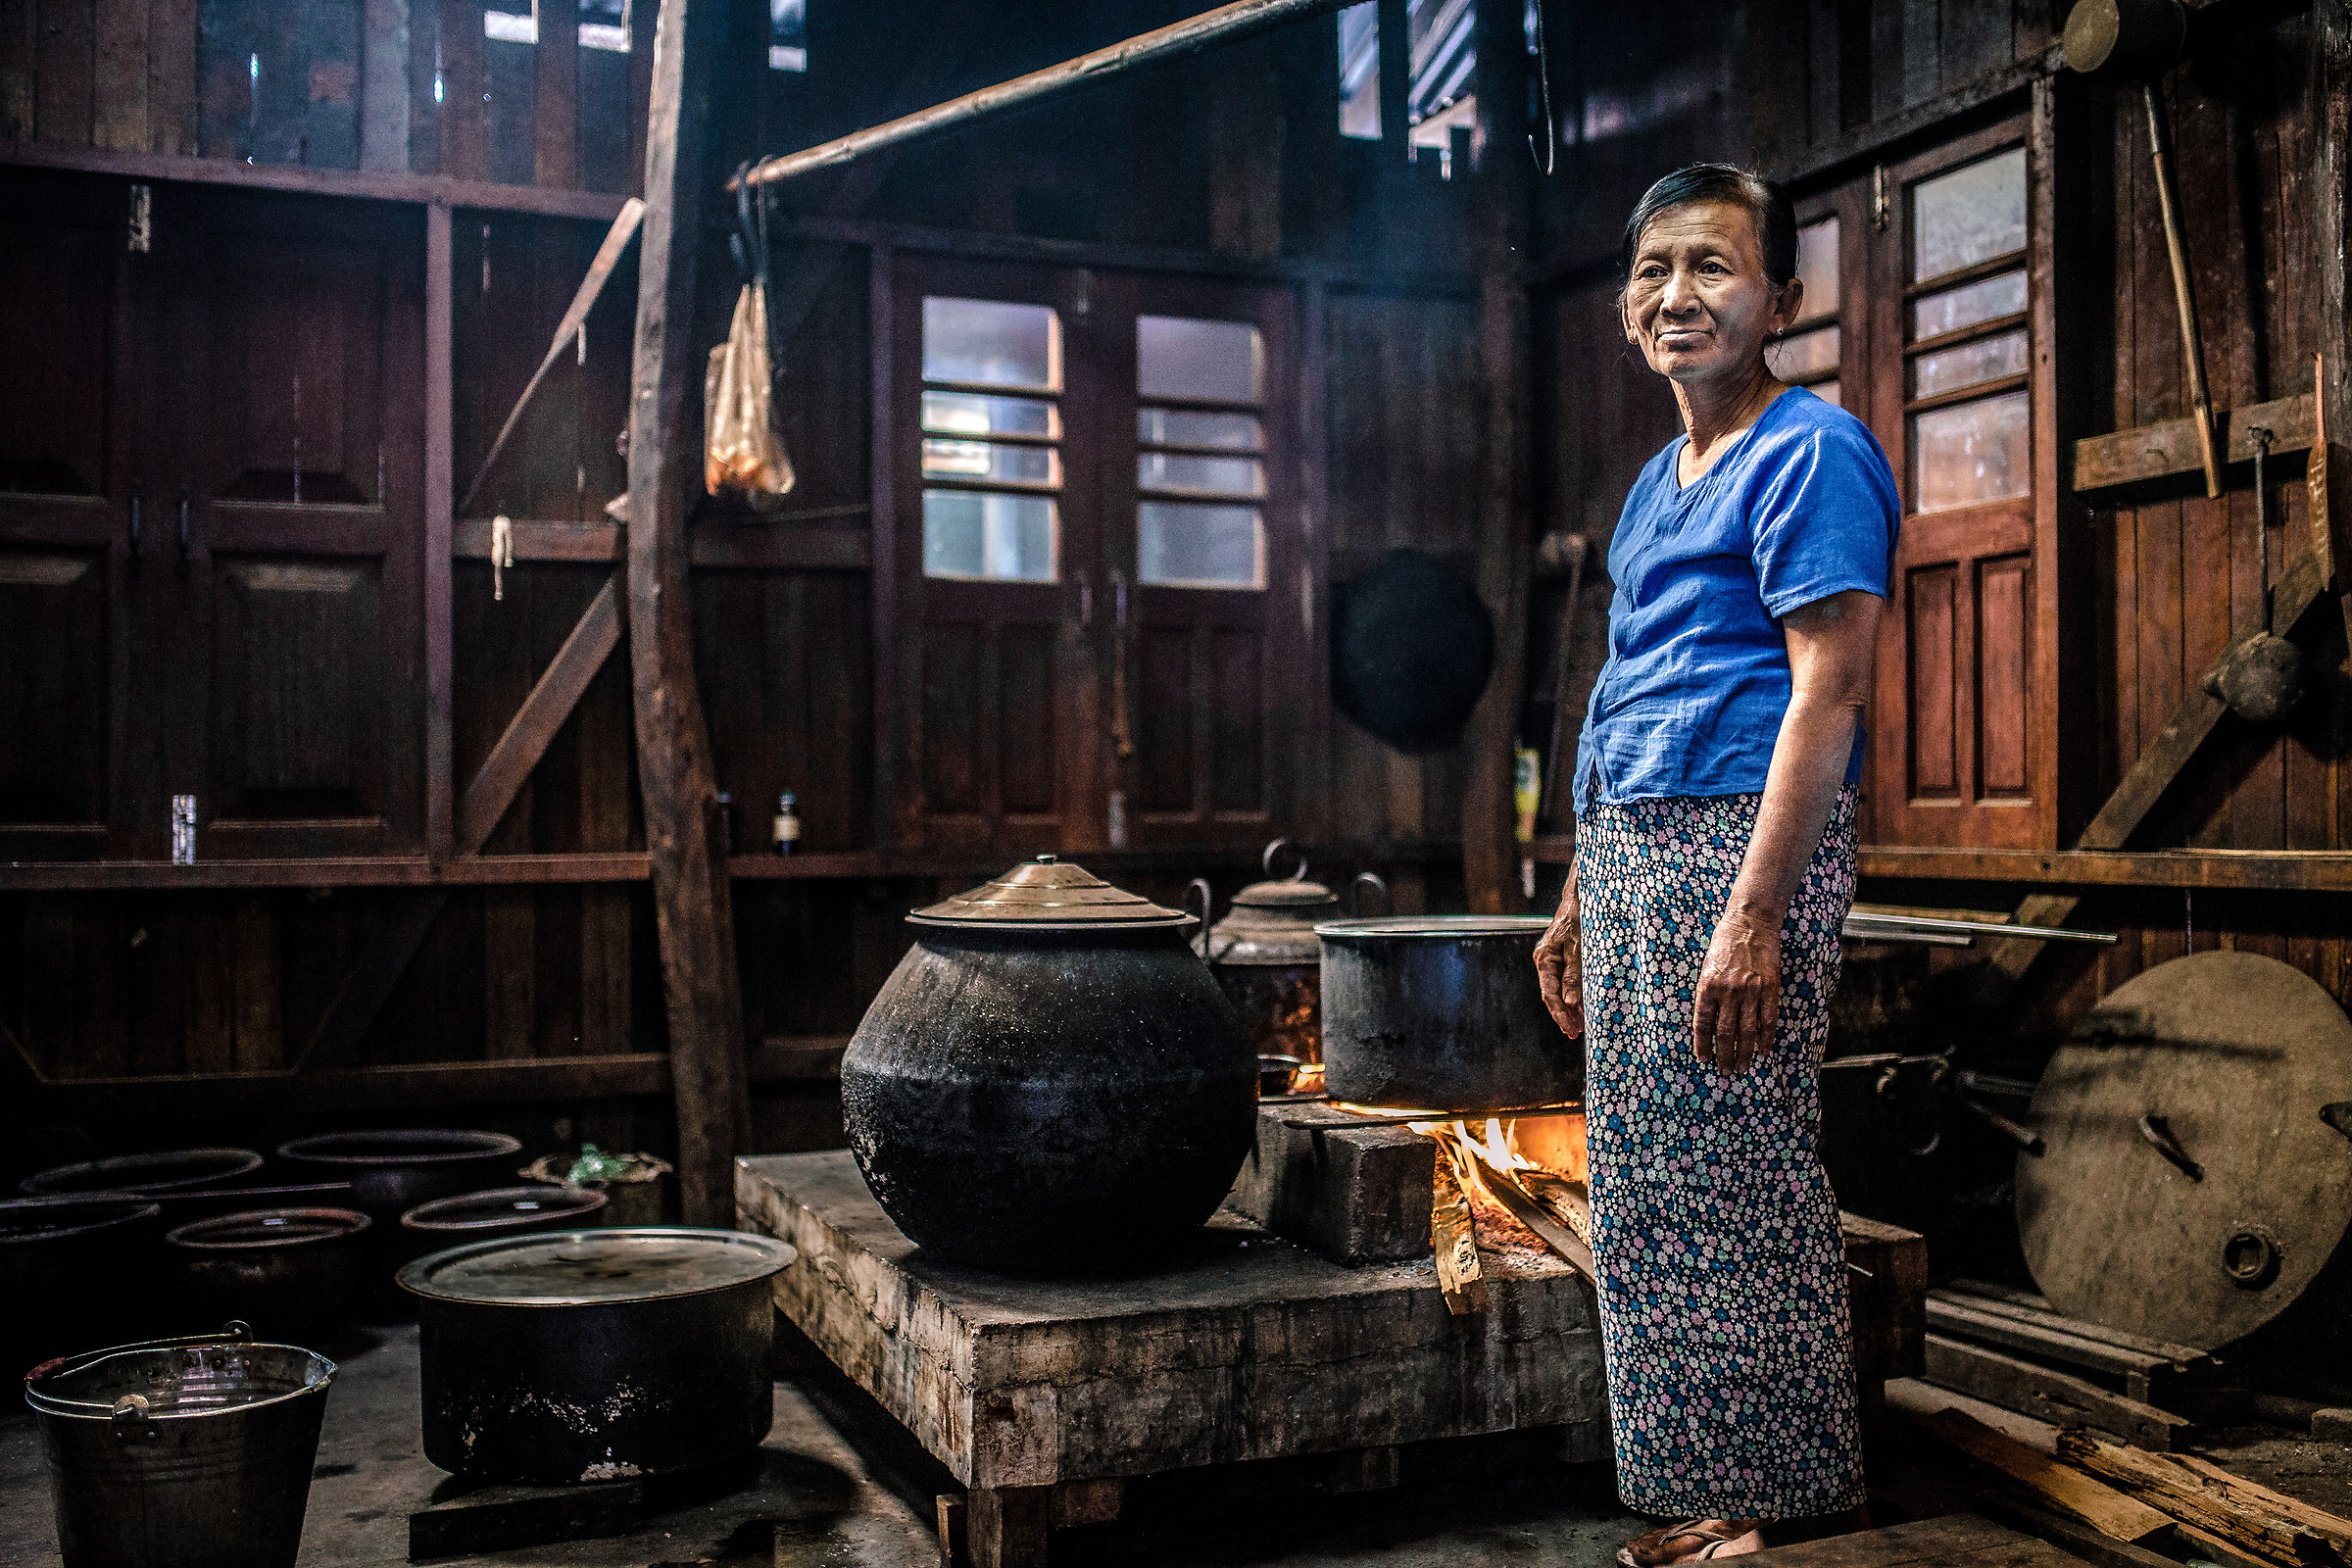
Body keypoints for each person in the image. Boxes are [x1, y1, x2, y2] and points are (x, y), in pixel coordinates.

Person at [1531, 164, 1898, 1565]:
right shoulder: (1652, 482)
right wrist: (1574, 900)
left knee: (1739, 1165)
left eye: (1711, 268)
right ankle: (1716, 1484)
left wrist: (1752, 918)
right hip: (1633, 844)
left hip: (1741, 846)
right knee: (1647, 1175)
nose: (1674, 296)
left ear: (1780, 303)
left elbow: (1829, 691)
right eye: (1652, 272)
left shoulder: (1813, 451)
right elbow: (1625, 692)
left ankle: (1783, 1496)